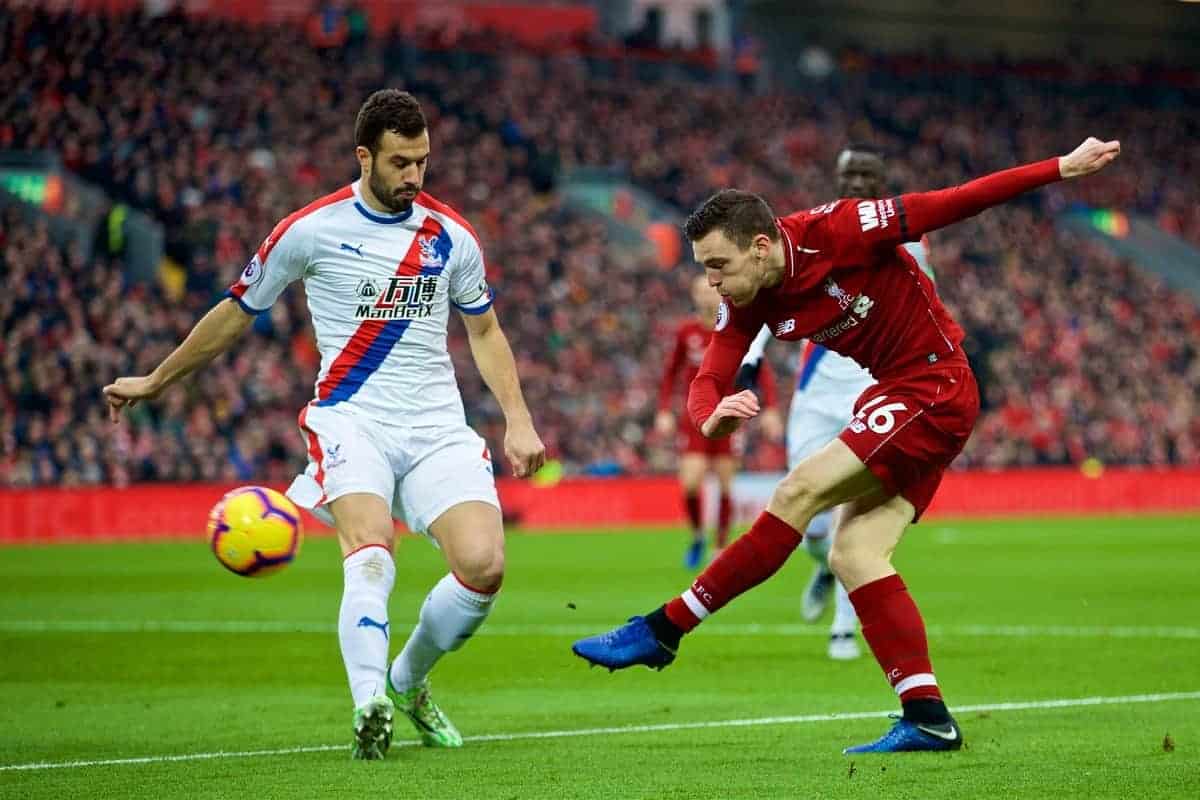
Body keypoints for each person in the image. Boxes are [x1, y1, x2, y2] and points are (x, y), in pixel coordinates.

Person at [573, 138, 1120, 753]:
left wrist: (1060, 169)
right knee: (854, 552)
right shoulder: (750, 293)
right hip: (905, 395)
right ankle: (927, 715)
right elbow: (710, 375)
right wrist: (709, 419)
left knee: (798, 490)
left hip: (934, 384)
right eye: (704, 268)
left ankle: (664, 628)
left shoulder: (839, 229)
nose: (711, 282)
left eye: (718, 265)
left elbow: (956, 201)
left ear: (760, 246)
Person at [104, 90, 546, 760]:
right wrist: (157, 379)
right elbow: (235, 311)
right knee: (371, 550)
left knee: (484, 567)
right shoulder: (307, 230)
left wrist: (518, 419)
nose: (414, 177)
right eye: (400, 162)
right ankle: (369, 700)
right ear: (363, 155)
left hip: (435, 426)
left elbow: (484, 330)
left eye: (423, 161)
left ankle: (408, 680)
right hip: (351, 419)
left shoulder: (452, 237)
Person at [737, 144, 936, 661]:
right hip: (814, 395)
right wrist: (751, 362)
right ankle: (822, 566)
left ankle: (844, 629)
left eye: (867, 175)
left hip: (874, 392)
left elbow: (928, 309)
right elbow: (763, 300)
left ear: (883, 182)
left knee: (851, 514)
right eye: (849, 175)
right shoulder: (810, 238)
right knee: (809, 518)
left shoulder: (908, 244)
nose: (856, 184)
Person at [657, 275, 782, 569]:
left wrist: (771, 407)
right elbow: (670, 373)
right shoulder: (686, 331)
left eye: (709, 290)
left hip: (730, 416)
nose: (706, 296)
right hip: (697, 417)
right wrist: (663, 410)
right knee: (690, 483)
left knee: (726, 484)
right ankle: (699, 534)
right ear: (694, 295)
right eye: (700, 291)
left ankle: (719, 545)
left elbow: (760, 367)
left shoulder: (735, 328)